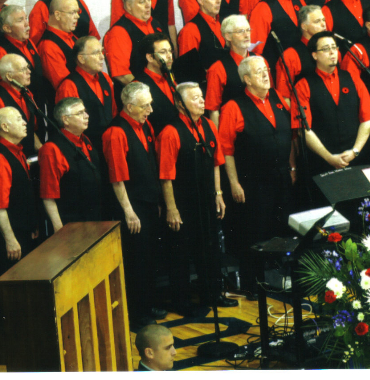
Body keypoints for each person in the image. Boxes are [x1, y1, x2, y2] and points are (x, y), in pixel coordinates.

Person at [218, 56, 295, 298]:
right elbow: (226, 150)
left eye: (267, 69)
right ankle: (254, 285)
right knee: (255, 232)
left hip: (281, 177)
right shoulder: (233, 107)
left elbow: (289, 136)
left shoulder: (277, 99)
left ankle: (276, 278)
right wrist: (233, 183)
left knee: (279, 227)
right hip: (252, 181)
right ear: (246, 79)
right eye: (259, 71)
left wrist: (292, 168)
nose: (266, 74)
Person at [157, 83, 236, 315]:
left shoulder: (209, 125)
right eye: (195, 98)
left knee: (210, 249)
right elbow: (165, 176)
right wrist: (171, 209)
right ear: (180, 104)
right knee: (181, 254)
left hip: (207, 199)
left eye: (202, 96)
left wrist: (219, 194)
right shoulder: (170, 132)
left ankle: (212, 295)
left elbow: (215, 163)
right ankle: (182, 303)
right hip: (182, 202)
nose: (202, 101)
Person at [102, 82, 166, 329]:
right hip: (131, 207)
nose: (150, 109)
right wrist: (129, 212)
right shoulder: (116, 133)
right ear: (129, 107)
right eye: (145, 105)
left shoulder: (144, 125)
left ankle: (147, 306)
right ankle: (136, 315)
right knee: (136, 261)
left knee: (148, 258)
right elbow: (117, 178)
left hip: (148, 203)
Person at [292, 32, 370, 179]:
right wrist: (329, 157)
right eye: (325, 49)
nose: (332, 52)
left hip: (356, 158)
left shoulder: (353, 78)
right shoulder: (303, 86)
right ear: (314, 55)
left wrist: (355, 151)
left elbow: (367, 119)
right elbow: (303, 130)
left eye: (334, 47)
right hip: (322, 162)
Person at [0, 107, 38, 313]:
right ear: (4, 127)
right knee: (12, 293)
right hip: (9, 239)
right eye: (18, 119)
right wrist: (10, 239)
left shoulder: (17, 151)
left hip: (22, 231)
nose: (25, 122)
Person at [39, 97, 103, 232]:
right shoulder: (52, 149)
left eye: (85, 111)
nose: (87, 116)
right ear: (65, 120)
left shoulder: (85, 140)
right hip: (71, 224)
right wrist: (59, 229)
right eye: (80, 113)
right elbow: (48, 195)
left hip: (94, 217)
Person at [54, 36, 117, 155]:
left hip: (109, 145)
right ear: (81, 59)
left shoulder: (106, 78)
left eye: (102, 51)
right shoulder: (69, 85)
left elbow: (112, 111)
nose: (102, 57)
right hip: (86, 150)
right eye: (96, 53)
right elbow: (68, 126)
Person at [249, 0, 306, 74]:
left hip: (305, 66)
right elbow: (255, 51)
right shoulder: (262, 9)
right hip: (280, 73)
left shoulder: (300, 1)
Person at [0, 54, 42, 156]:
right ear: (9, 76)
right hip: (9, 160)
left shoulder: (25, 92)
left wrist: (41, 150)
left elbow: (29, 129)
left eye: (28, 67)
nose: (29, 72)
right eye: (23, 69)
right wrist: (14, 160)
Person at [104, 0, 165, 88]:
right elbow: (122, 75)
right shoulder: (119, 32)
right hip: (139, 96)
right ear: (128, 5)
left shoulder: (155, 24)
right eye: (142, 2)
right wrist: (148, 93)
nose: (148, 5)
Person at [204, 14, 257, 128]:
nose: (246, 34)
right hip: (233, 128)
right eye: (240, 31)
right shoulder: (217, 69)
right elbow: (213, 110)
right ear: (228, 36)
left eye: (248, 30)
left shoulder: (259, 61)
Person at [275, 4, 327, 107]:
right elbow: (284, 97)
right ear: (304, 26)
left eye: (323, 20)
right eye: (317, 21)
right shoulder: (290, 56)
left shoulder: (333, 50)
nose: (323, 25)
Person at [175, 0, 226, 84]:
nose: (218, 1)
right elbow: (186, 70)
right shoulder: (190, 30)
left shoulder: (224, 23)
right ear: (200, 0)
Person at [134, 34, 178, 133]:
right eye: (163, 52)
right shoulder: (138, 86)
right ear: (150, 57)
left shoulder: (170, 77)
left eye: (170, 51)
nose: (169, 56)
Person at [38, 0, 80, 96]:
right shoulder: (48, 47)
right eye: (72, 12)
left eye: (77, 12)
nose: (77, 16)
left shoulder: (71, 37)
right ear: (57, 15)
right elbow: (64, 87)